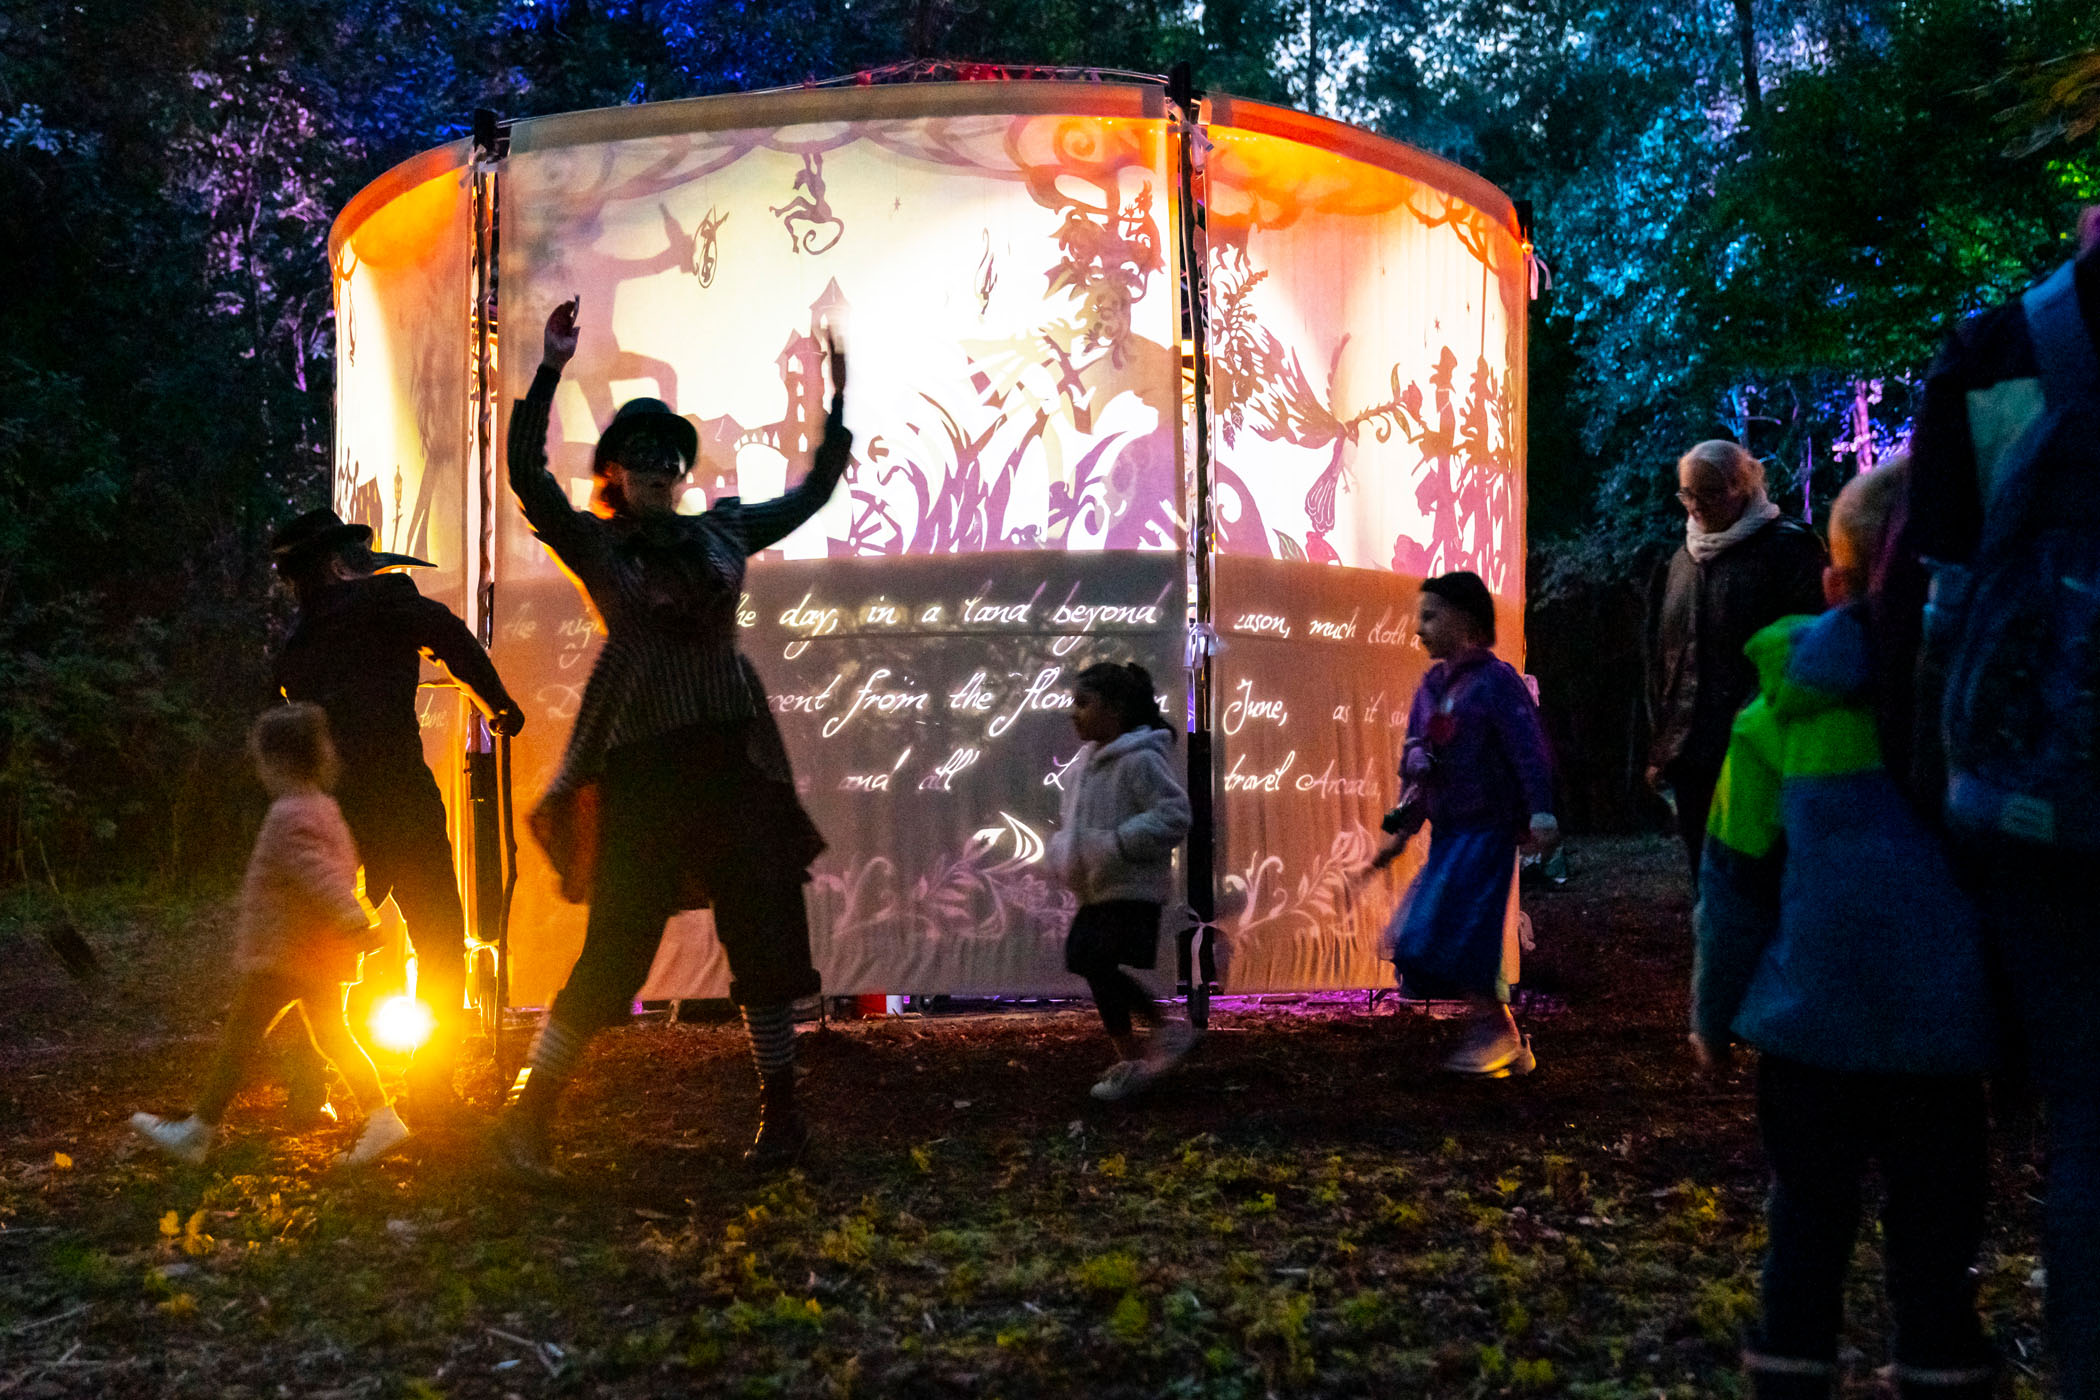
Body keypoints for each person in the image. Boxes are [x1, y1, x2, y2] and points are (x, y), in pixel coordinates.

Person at [493, 297, 848, 1181]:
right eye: (640, 458)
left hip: (731, 763)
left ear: (685, 469)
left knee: (764, 936)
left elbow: (807, 496)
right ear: (615, 471)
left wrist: (838, 410)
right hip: (645, 768)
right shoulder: (601, 546)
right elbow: (529, 480)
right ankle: (528, 1115)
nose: (659, 470)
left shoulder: (723, 529)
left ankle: (783, 1118)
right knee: (615, 950)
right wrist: (549, 368)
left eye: (671, 458)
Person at [1693, 459, 1997, 1400]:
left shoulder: (1776, 715)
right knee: (1939, 1229)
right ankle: (1941, 1366)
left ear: (1834, 581)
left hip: (1809, 1026)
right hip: (1950, 1038)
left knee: (1809, 1218)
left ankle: (1791, 1367)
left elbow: (1734, 883)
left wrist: (1714, 1010)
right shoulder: (1989, 703)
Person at [1879, 214, 2100, 1400]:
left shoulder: (1994, 355)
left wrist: (1937, 802)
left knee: (2082, 1105)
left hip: (2035, 806)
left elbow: (1943, 600)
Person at [270, 508, 524, 1117]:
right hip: (397, 794)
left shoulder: (298, 641)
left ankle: (308, 1085)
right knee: (437, 934)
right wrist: (497, 704)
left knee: (314, 943)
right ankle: (431, 1087)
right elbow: (453, 636)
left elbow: (281, 714)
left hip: (333, 804)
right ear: (337, 563)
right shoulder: (387, 598)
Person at [129, 706, 411, 1169]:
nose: (260, 772)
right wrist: (351, 917)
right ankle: (381, 1117)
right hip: (313, 951)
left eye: (261, 762)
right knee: (332, 1036)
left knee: (241, 1037)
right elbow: (343, 870)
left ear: (278, 761)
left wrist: (353, 917)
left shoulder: (288, 813)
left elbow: (317, 873)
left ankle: (197, 1132)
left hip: (286, 953)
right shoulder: (326, 807)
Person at [1370, 571, 1557, 1076]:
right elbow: (1418, 760)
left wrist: (1541, 811)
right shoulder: (1432, 687)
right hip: (1450, 833)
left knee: (1465, 930)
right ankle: (1505, 1039)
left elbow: (1528, 749)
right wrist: (1405, 827)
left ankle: (1495, 1035)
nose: (1418, 629)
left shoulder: (1497, 683)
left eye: (1430, 616)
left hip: (1488, 830)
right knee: (1427, 930)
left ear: (1466, 620)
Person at [1646, 440, 1826, 882]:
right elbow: (1663, 659)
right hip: (1693, 756)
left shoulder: (1789, 549)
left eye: (1707, 492)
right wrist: (1664, 742)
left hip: (1762, 750)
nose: (1695, 506)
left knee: (1761, 880)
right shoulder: (1680, 562)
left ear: (1740, 487)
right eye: (1687, 493)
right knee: (1705, 878)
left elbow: (1806, 647)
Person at [1046, 661, 1197, 1102]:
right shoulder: (1083, 767)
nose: (1074, 712)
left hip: (1129, 886)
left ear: (1115, 708)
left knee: (1090, 958)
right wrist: (1065, 851)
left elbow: (1175, 815)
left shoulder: (1141, 760)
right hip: (1100, 886)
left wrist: (1116, 844)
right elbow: (1075, 826)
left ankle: (1161, 1034)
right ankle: (1135, 1056)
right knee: (1090, 962)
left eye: (1083, 703)